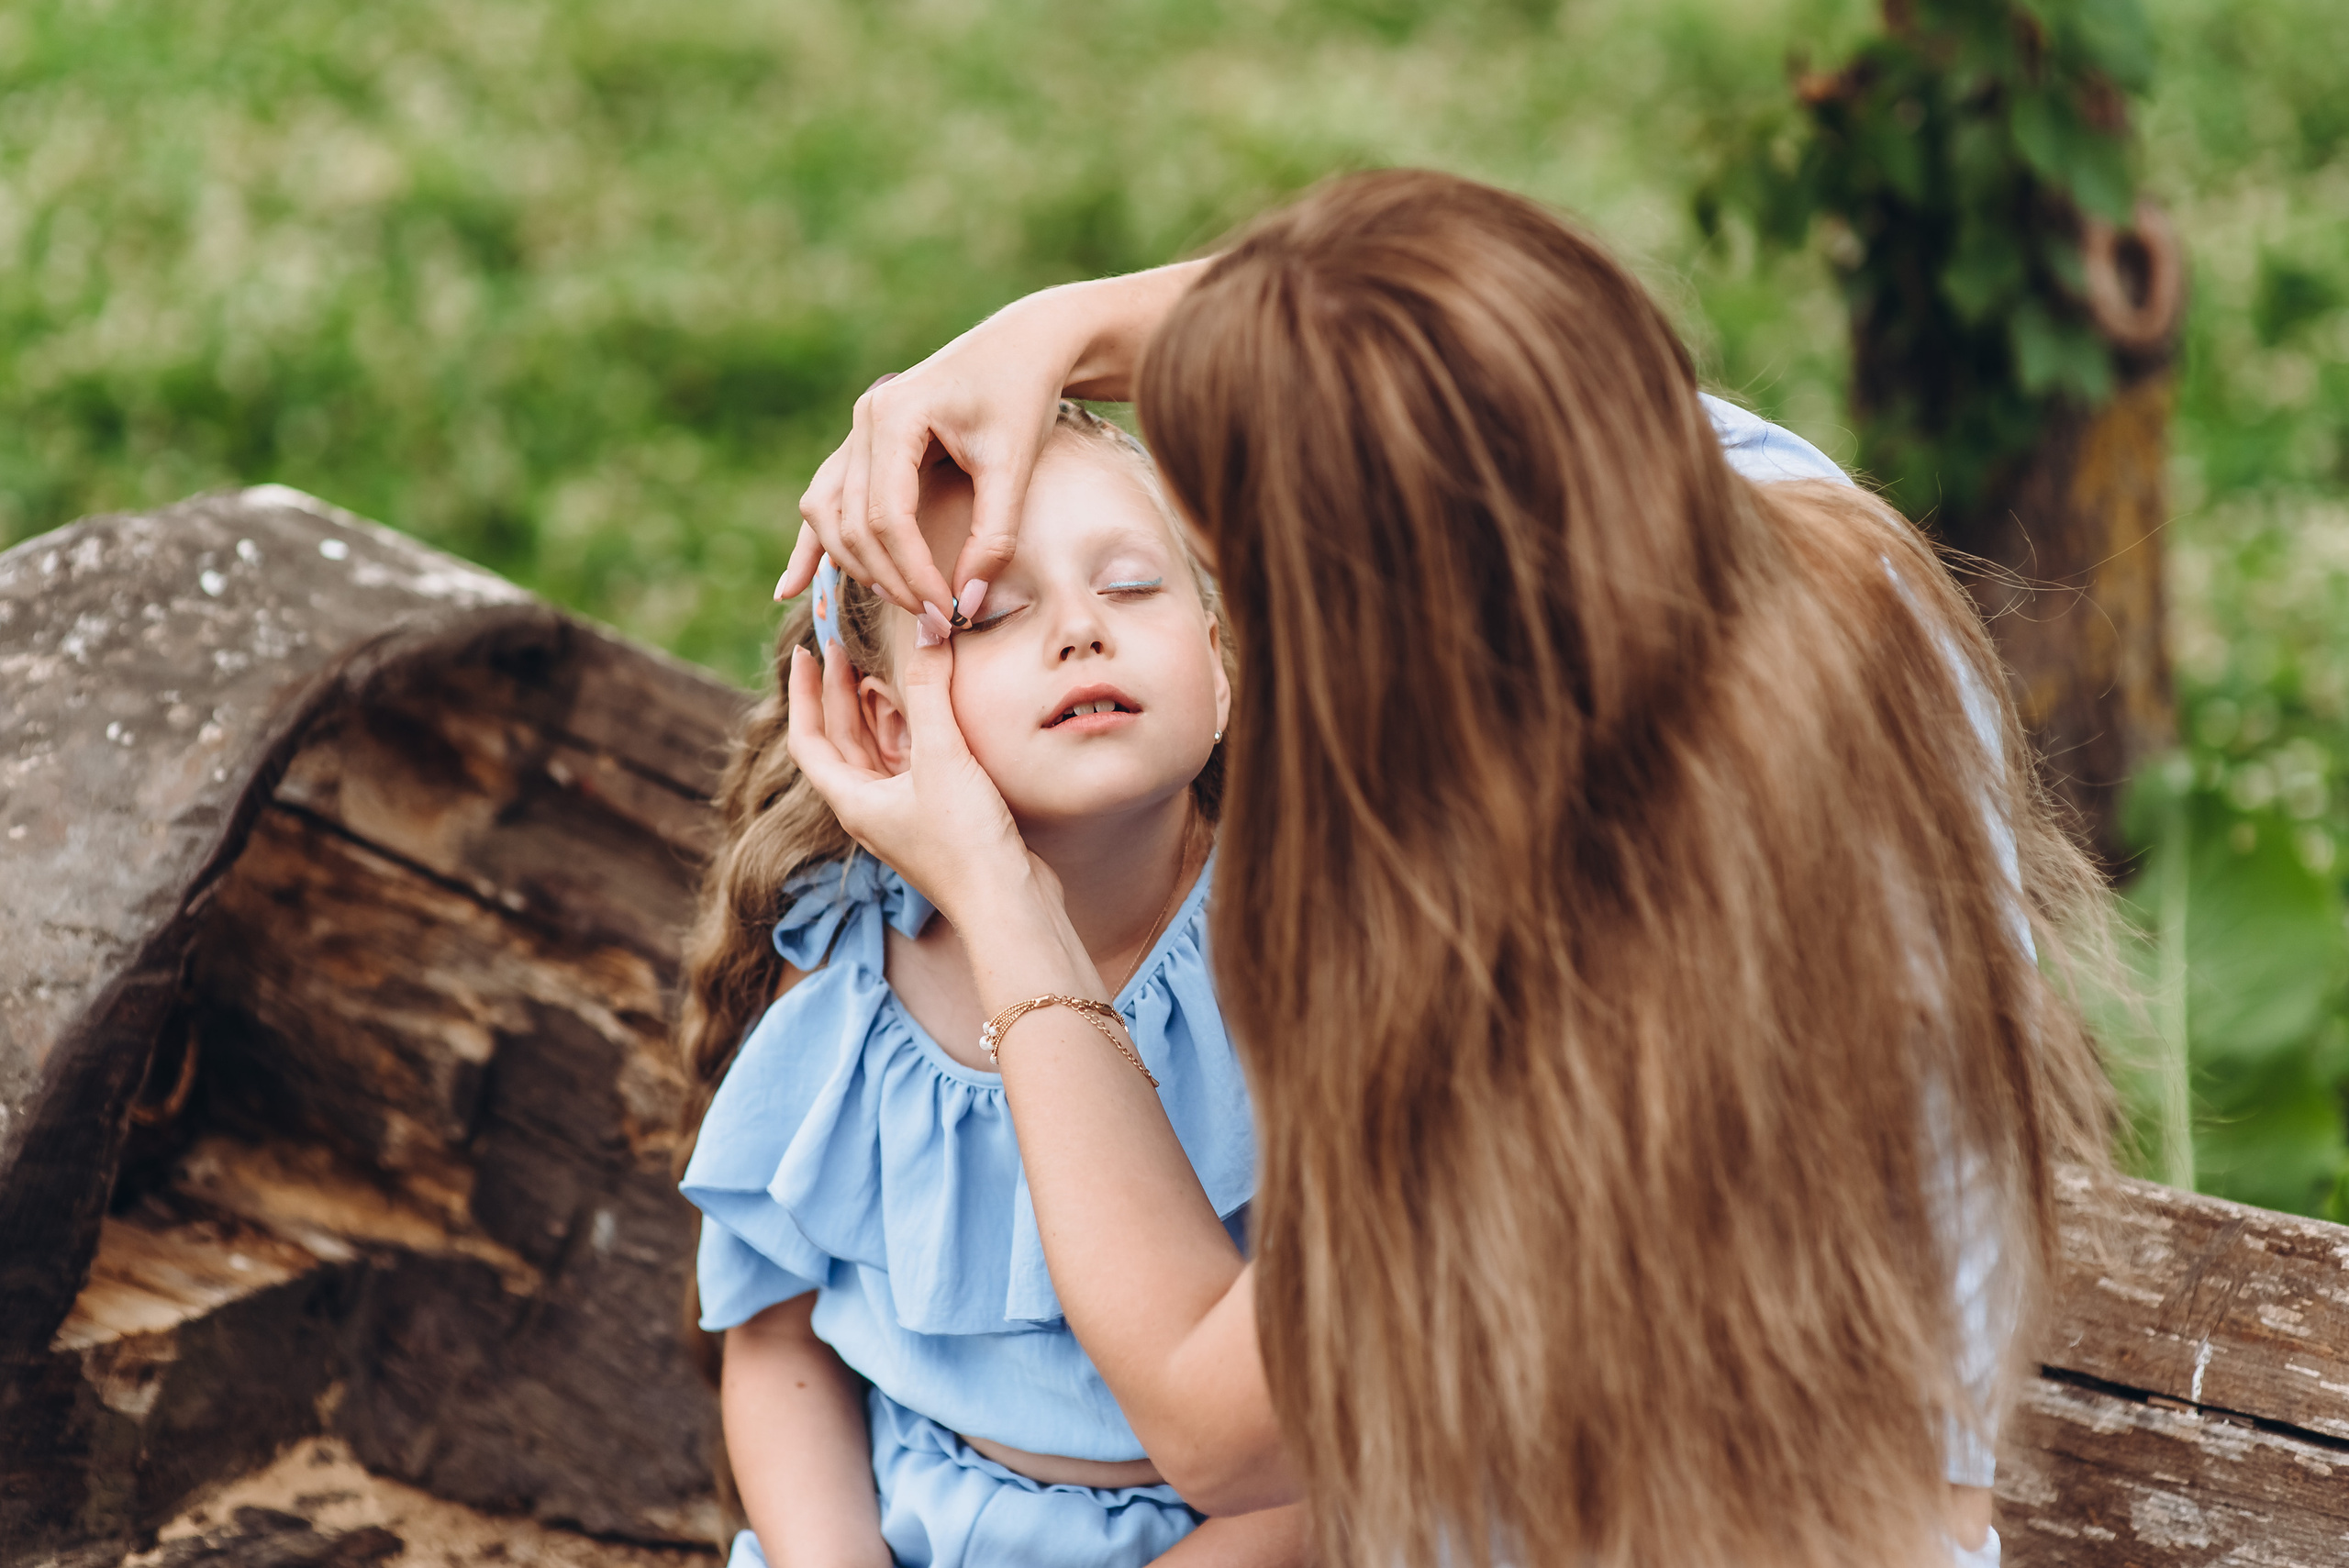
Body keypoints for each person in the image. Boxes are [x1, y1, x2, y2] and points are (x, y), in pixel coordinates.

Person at [780, 171, 2114, 1568]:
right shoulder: (1799, 537)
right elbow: (1482, 368)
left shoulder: (1540, 977)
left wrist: (1000, 894)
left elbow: (1217, 1421)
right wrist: (1055, 332)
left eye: (1208, 579)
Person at [675, 405, 1310, 1568]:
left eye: (1131, 586)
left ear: (1220, 667)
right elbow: (780, 1340)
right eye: (993, 610)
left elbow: (1364, 1428)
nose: (1080, 630)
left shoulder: (1308, 957)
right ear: (884, 725)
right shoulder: (847, 966)